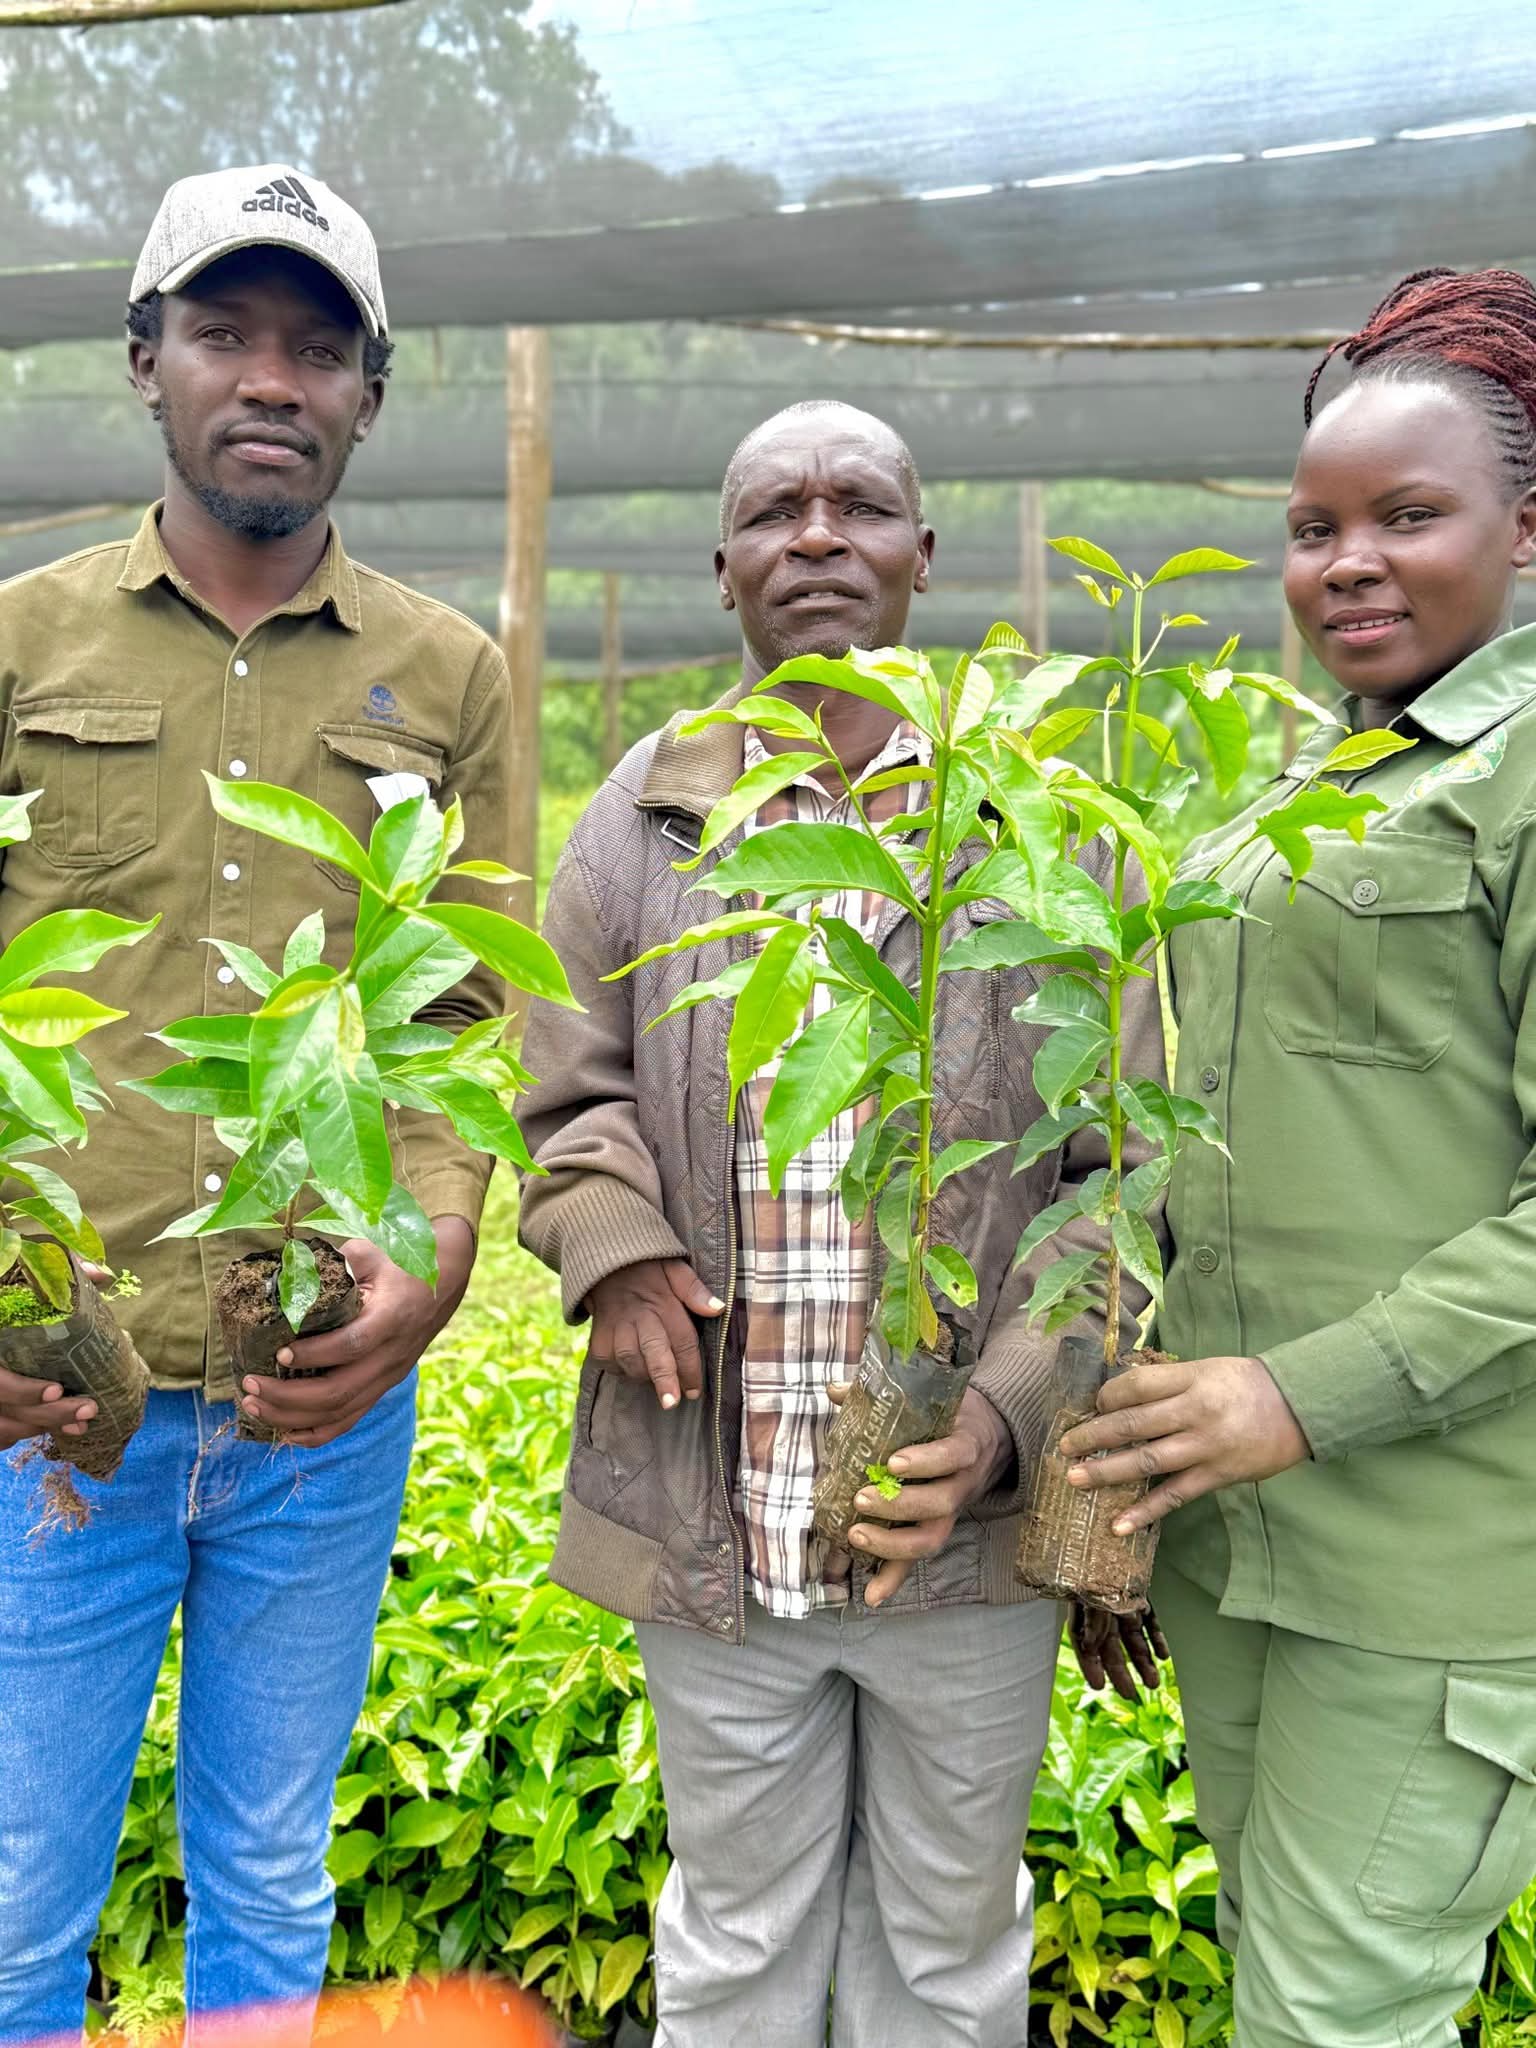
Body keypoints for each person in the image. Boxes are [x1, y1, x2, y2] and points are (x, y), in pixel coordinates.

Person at [515, 399, 1166, 2048]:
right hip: (716, 1517)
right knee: (735, 1935)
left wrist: (1014, 1412)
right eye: (774, 512)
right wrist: (615, 1242)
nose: (817, 536)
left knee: (947, 1950)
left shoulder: (1046, 827)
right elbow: (567, 1086)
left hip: (957, 1546)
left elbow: (1125, 1175)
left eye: (860, 506)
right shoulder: (641, 823)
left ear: (921, 557)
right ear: (723, 568)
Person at [0, 167, 511, 2042]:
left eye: (320, 347)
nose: (272, 379)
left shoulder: (445, 671)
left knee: (273, 1875)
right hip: (58, 1397)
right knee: (13, 1890)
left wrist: (440, 1265)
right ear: (147, 363)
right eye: (226, 333)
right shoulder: (22, 640)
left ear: (373, 390)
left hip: (317, 1400)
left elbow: (464, 1013)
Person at [1061, 267, 1536, 2047]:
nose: (1348, 561)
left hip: (1428, 1573)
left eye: (1409, 517)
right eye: (1313, 525)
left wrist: (1298, 1396)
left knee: (1341, 2019)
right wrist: (1133, 1483)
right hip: (1248, 1546)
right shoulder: (1308, 791)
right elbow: (1206, 1151)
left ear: (1525, 527)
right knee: (1286, 1978)